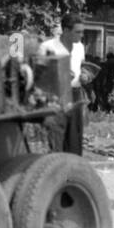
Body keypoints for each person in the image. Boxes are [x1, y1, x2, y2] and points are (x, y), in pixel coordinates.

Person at [40, 13, 85, 154]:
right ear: (65, 31)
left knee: (74, 139)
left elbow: (82, 66)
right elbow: (40, 76)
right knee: (56, 137)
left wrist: (85, 75)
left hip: (75, 94)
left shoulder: (80, 47)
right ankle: (56, 170)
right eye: (77, 32)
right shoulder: (47, 47)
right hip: (56, 96)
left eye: (82, 32)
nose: (81, 35)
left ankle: (74, 172)